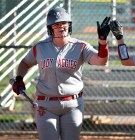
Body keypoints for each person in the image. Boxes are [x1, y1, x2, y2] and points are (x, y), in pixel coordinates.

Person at [10, 7, 110, 140]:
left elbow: (101, 61)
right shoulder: (40, 47)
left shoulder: (80, 46)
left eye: (64, 23)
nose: (61, 26)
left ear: (70, 25)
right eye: (56, 24)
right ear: (50, 28)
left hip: (73, 105)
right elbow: (25, 63)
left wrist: (102, 41)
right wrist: (19, 78)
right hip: (45, 106)